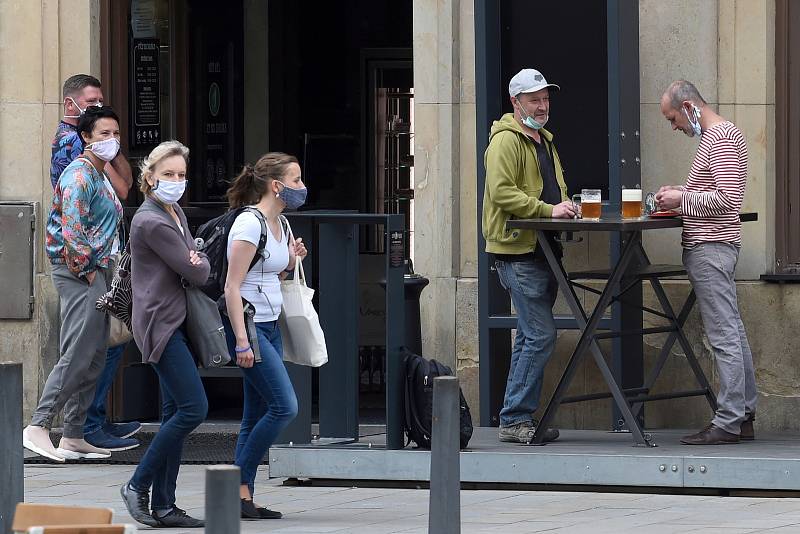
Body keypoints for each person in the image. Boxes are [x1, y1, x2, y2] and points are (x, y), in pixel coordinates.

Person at [656, 80, 757, 445]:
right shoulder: (717, 136)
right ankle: (742, 414)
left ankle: (729, 420)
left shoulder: (721, 137)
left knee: (724, 335)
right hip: (714, 245)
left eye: (672, 119)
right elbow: (714, 193)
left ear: (688, 108)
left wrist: (681, 198)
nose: (674, 127)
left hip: (711, 245)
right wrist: (681, 196)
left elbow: (727, 199)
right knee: (733, 331)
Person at [22, 106, 124, 461]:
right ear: (85, 138)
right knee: (79, 350)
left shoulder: (100, 174)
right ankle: (39, 425)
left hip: (98, 269)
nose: (112, 141)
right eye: (103, 135)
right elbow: (72, 228)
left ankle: (74, 433)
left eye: (115, 134)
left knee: (95, 352)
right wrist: (88, 268)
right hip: (80, 271)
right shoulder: (79, 176)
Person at [482, 68, 577, 444]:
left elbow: (556, 188)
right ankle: (515, 419)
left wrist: (565, 205)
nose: (542, 105)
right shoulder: (506, 141)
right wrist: (548, 210)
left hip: (542, 248)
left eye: (546, 98)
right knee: (540, 334)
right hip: (517, 249)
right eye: (534, 99)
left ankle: (514, 416)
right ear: (516, 102)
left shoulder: (543, 140)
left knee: (528, 334)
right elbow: (502, 192)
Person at [118, 141, 208, 528]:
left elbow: (194, 260)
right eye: (168, 174)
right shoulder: (153, 220)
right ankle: (137, 485)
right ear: (149, 176)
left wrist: (194, 256)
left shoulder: (174, 213)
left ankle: (166, 505)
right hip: (160, 323)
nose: (175, 181)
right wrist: (195, 256)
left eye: (181, 175)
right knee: (193, 408)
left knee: (176, 410)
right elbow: (199, 270)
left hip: (175, 319)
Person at [50, 74, 141, 452]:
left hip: (103, 261)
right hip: (85, 266)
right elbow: (110, 194)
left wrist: (111, 142)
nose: (97, 106)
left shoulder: (93, 150)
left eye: (102, 101)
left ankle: (81, 427)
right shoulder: (73, 150)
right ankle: (69, 424)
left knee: (106, 343)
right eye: (91, 103)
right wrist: (86, 268)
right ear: (71, 105)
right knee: (88, 348)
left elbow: (123, 186)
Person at [222, 153, 306, 519]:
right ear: (276, 185)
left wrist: (289, 262)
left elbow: (271, 277)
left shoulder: (281, 225)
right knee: (285, 406)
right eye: (296, 179)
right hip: (250, 329)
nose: (302, 187)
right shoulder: (248, 224)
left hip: (270, 325)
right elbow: (232, 286)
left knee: (254, 414)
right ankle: (233, 484)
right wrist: (241, 340)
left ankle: (242, 498)